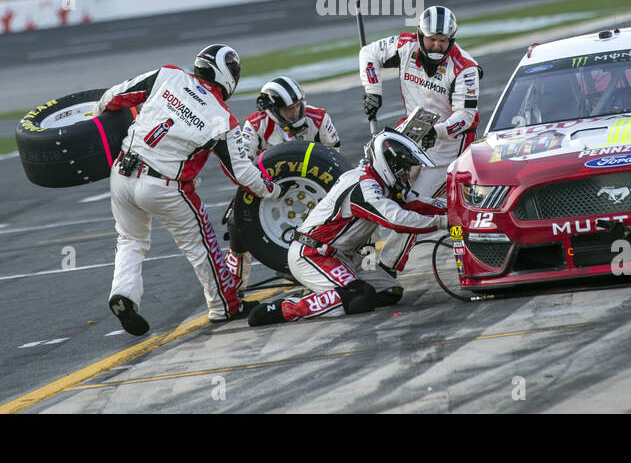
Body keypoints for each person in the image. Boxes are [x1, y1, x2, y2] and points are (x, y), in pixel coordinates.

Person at [97, 43, 280, 335]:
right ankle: (224, 307)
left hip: (121, 172)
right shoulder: (222, 117)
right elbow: (241, 173)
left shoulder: (166, 75)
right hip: (164, 185)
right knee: (201, 247)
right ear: (227, 75)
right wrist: (272, 190)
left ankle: (124, 295)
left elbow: (112, 98)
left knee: (130, 240)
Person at [247, 130, 446, 326]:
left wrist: (454, 208)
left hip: (341, 256)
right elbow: (398, 220)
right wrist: (443, 222)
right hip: (312, 252)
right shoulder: (364, 187)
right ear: (392, 166)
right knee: (358, 296)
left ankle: (326, 292)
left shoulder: (383, 183)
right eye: (405, 169)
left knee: (389, 292)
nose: (408, 175)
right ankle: (285, 308)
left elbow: (417, 202)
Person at [358, 5, 480, 277]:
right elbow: (367, 53)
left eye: (443, 41)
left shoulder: (466, 68)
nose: (436, 46)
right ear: (419, 35)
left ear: (452, 40)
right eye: (431, 39)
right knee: (375, 185)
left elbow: (467, 116)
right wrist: (373, 91)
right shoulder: (404, 46)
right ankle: (357, 255)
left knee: (416, 205)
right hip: (409, 136)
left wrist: (436, 132)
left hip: (445, 151)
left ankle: (385, 270)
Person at [223, 75, 341, 293]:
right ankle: (233, 287)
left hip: (314, 188)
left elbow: (335, 160)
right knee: (235, 224)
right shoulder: (255, 124)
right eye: (289, 109)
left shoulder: (319, 118)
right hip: (269, 189)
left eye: (298, 105)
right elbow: (242, 165)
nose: (296, 112)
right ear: (273, 109)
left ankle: (340, 267)